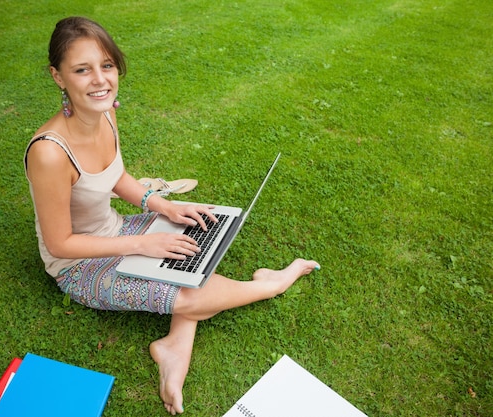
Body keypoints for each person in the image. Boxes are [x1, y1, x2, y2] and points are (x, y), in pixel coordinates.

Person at [24, 16, 320, 415]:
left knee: (200, 230)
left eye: (107, 65)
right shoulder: (49, 152)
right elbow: (60, 242)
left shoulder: (106, 111)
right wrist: (144, 242)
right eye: (82, 69)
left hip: (118, 231)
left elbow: (117, 177)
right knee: (192, 292)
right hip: (78, 265)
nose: (100, 80)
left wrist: (162, 205)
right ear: (58, 77)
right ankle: (272, 284)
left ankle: (173, 347)